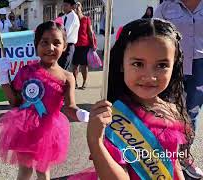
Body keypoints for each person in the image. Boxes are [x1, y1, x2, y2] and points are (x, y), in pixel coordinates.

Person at [65, 18, 194, 180]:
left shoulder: (172, 110)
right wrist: (95, 141)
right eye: (138, 64)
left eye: (161, 65)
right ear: (121, 64)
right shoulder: (113, 117)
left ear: (173, 66)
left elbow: (173, 164)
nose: (150, 76)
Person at [0, 21, 90, 180]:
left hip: (47, 131)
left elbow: (69, 106)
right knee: (25, 171)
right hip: (25, 129)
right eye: (44, 42)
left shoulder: (67, 77)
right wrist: (4, 79)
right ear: (36, 45)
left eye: (56, 43)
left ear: (65, 46)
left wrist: (80, 113)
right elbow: (15, 102)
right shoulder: (26, 71)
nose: (50, 48)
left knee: (43, 171)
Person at [154, 0, 203, 178]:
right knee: (168, 111)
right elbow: (155, 37)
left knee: (192, 112)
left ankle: (184, 157)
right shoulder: (166, 7)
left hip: (200, 66)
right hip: (173, 65)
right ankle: (164, 157)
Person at [72, 2, 96, 90]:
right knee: (74, 65)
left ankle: (84, 82)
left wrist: (93, 44)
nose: (76, 9)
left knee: (83, 65)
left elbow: (90, 32)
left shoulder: (86, 19)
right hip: (74, 45)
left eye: (77, 8)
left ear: (81, 8)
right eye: (74, 8)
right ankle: (74, 82)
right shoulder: (73, 20)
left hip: (84, 45)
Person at [58, 0, 80, 71]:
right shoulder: (64, 17)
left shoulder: (73, 17)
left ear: (72, 6)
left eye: (66, 5)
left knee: (64, 67)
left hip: (68, 45)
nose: (64, 7)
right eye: (63, 5)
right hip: (62, 44)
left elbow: (66, 32)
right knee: (59, 66)